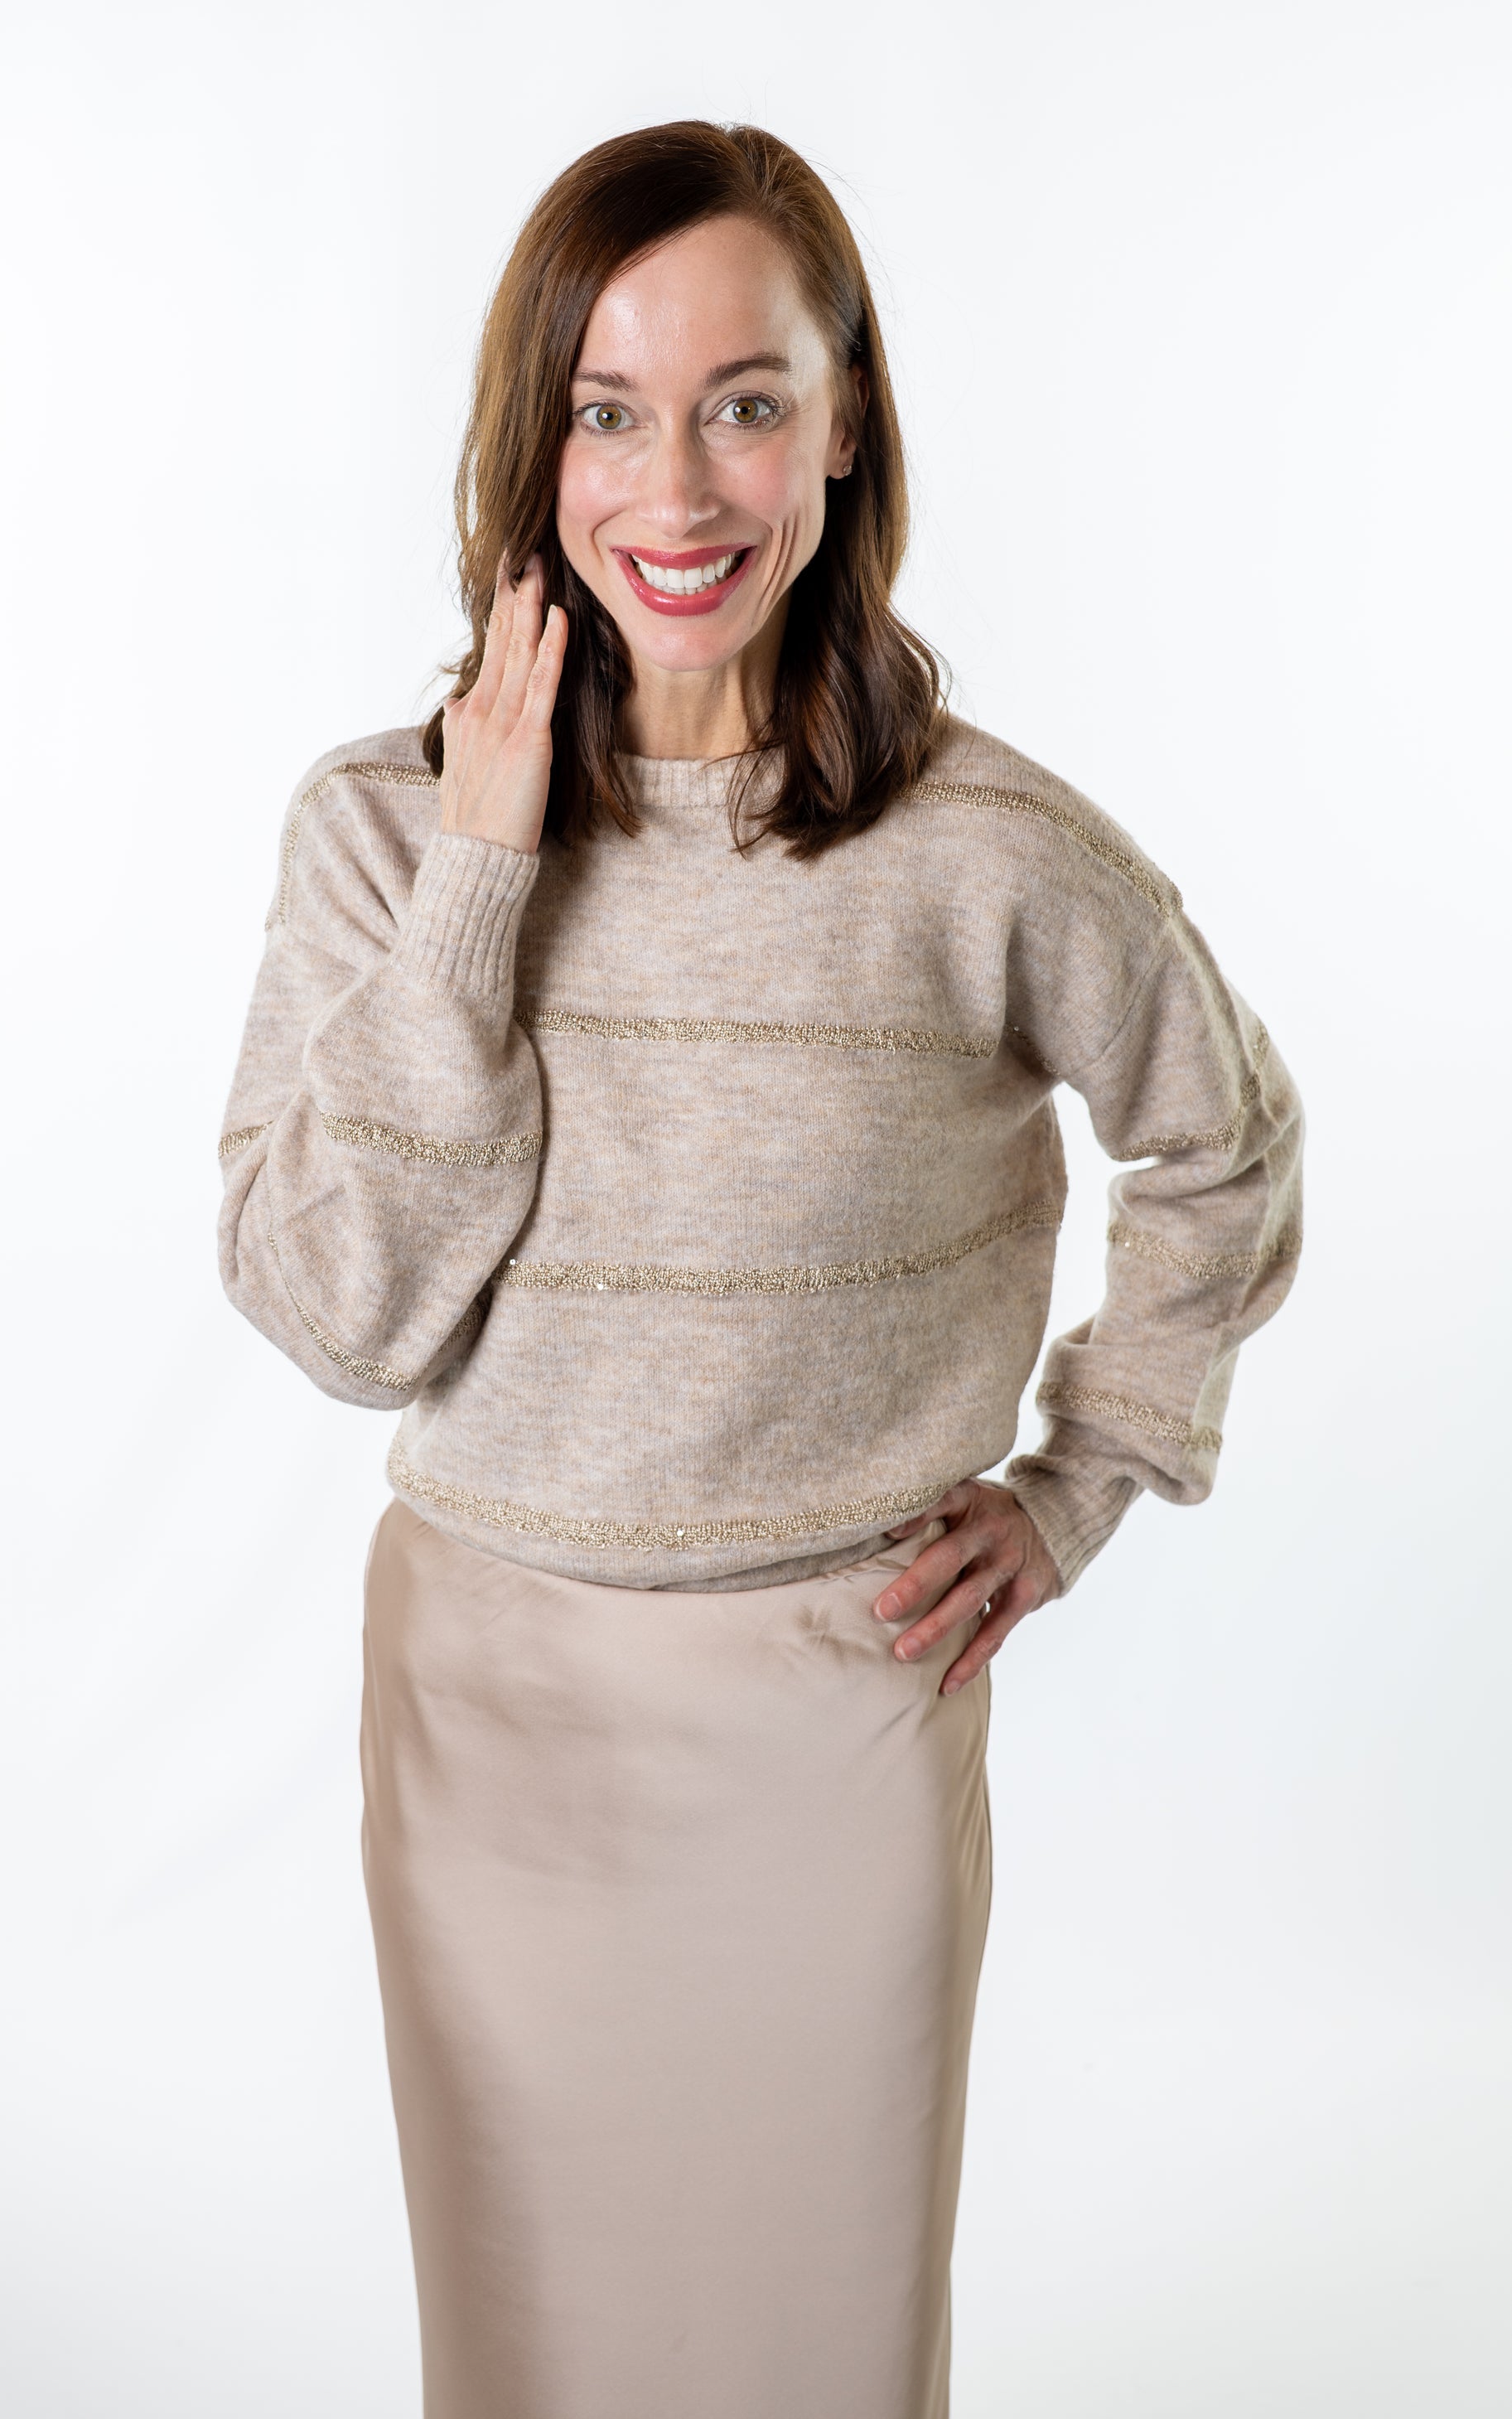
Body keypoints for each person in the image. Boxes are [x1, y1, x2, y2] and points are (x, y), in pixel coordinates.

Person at [218, 119, 1302, 2419]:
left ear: (845, 424)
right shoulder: (379, 836)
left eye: (743, 398)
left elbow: (1227, 1136)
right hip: (496, 1719)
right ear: (532, 447)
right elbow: (339, 1312)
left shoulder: (989, 849)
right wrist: (489, 875)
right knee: (526, 2360)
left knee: (817, 2352)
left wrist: (1082, 1477)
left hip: (840, 1708)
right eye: (606, 410)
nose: (676, 489)